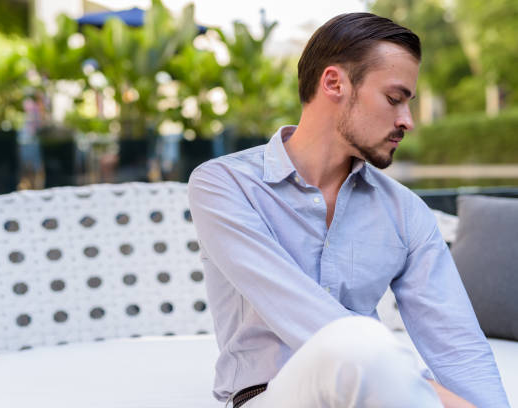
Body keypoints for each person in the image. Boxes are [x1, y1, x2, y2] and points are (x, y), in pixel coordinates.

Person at [187, 12, 509, 408]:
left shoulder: (405, 211)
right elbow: (308, 319)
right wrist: (438, 398)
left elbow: (458, 345)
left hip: (379, 393)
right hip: (272, 396)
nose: (407, 121)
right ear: (334, 83)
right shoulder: (225, 184)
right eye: (394, 99)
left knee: (366, 347)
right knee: (357, 339)